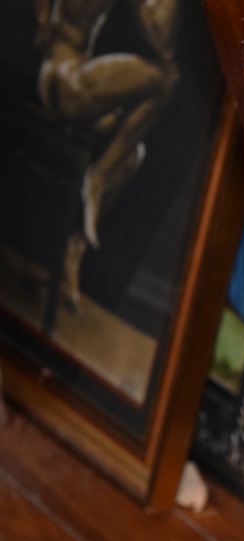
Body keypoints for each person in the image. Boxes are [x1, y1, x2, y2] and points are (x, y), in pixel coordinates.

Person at [32, 0, 180, 309]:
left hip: (69, 78)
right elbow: (163, 54)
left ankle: (75, 248)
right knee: (165, 78)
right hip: (64, 80)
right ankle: (96, 178)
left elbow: (160, 40)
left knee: (131, 156)